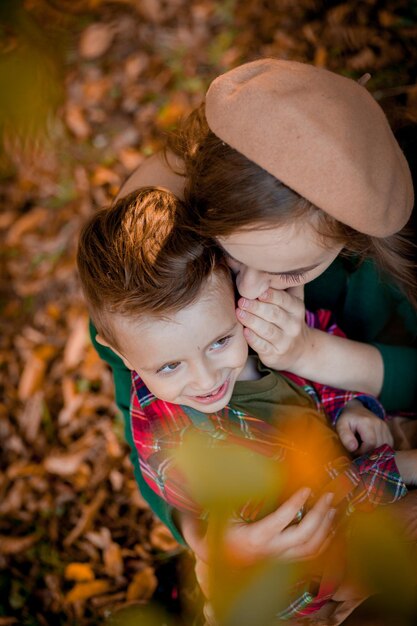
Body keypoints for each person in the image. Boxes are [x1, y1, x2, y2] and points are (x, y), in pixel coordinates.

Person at [90, 59, 417, 570]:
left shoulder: (381, 243)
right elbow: (145, 426)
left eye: (291, 273)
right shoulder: (163, 266)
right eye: (234, 259)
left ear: (353, 240)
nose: (252, 293)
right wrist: (210, 540)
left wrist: (311, 352)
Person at [77, 185, 414, 620]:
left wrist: (348, 403)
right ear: (119, 354)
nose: (205, 379)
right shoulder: (182, 446)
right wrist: (405, 465)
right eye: (169, 367)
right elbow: (324, 500)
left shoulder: (254, 330)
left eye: (219, 342)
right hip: (310, 573)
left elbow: (319, 345)